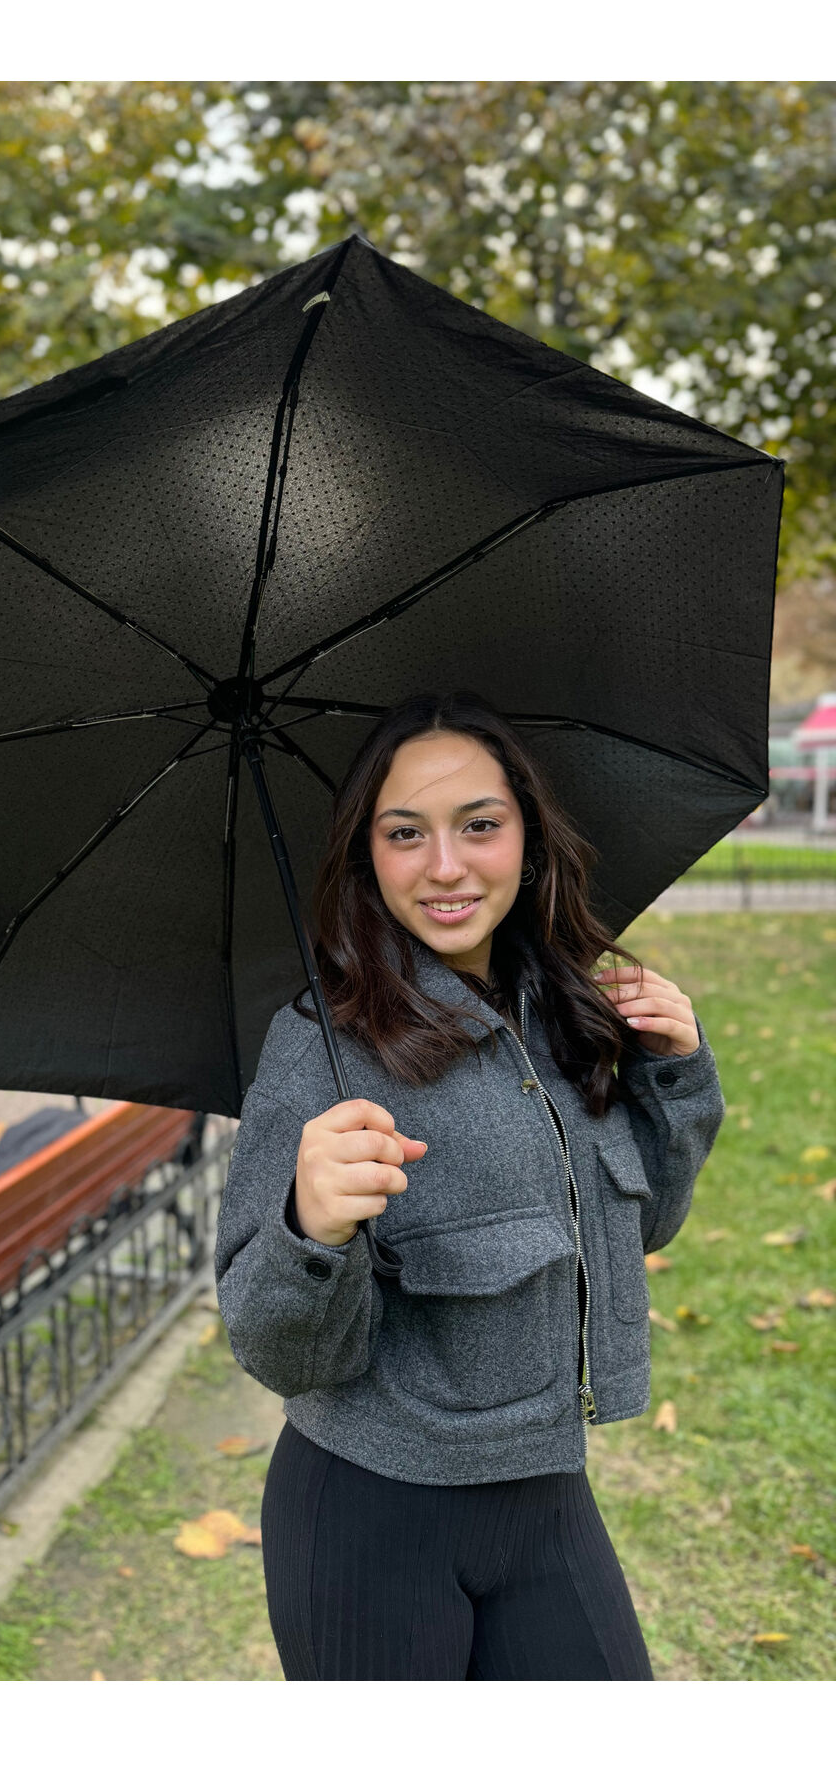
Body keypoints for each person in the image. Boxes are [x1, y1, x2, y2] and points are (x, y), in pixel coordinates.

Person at [214, 689, 725, 1681]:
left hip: (547, 1493)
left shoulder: (564, 1007)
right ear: (368, 857)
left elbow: (641, 1225)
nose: (445, 866)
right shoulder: (317, 1048)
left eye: (479, 825)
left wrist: (675, 1074)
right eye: (405, 833)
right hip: (368, 1513)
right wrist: (309, 1230)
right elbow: (277, 1352)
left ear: (528, 840)